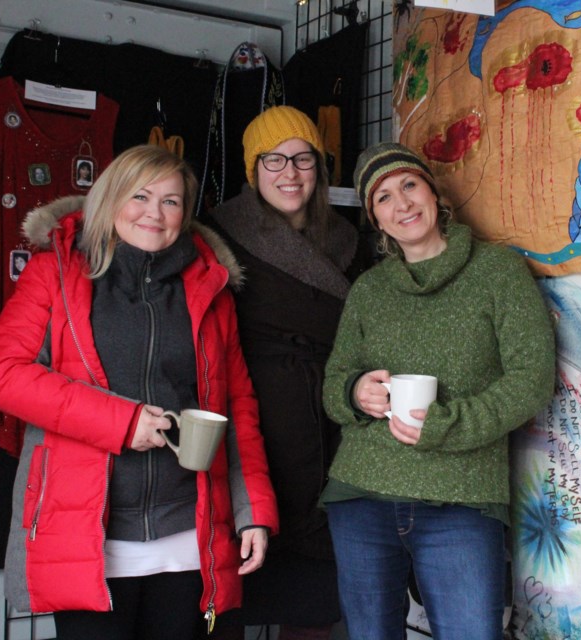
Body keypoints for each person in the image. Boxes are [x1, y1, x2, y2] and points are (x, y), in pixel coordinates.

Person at [0, 144, 279, 640]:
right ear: (110, 197)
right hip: (87, 538)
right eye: (140, 196)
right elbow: (5, 375)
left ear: (185, 214)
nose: (154, 213)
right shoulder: (53, 272)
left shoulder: (209, 288)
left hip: (188, 534)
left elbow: (237, 407)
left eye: (171, 201)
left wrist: (254, 511)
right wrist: (121, 421)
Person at [321, 142, 556, 639]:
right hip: (362, 494)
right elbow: (334, 383)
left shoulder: (498, 272)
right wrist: (354, 393)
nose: (401, 203)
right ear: (376, 219)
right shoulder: (369, 290)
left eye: (409, 185)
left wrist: (447, 425)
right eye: (383, 198)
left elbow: (532, 380)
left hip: (462, 499)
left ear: (433, 192)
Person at [200, 105, 368, 639]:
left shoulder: (350, 238)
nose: (289, 173)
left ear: (320, 168)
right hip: (255, 423)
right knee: (239, 575)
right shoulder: (218, 233)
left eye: (303, 159)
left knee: (318, 591)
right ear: (253, 171)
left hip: (334, 422)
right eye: (274, 160)